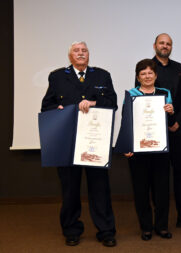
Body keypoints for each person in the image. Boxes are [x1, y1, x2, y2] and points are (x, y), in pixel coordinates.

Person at [41, 41, 117, 247]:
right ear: (70, 56)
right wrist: (56, 108)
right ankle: (71, 229)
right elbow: (46, 105)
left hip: (95, 141)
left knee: (100, 188)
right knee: (70, 189)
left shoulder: (102, 75)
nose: (81, 53)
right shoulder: (57, 76)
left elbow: (112, 103)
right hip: (67, 141)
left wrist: (94, 103)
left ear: (89, 55)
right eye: (77, 51)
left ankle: (106, 231)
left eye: (84, 50)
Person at [136, 33, 181, 229]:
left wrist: (178, 121)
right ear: (154, 45)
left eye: (168, 44)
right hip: (153, 132)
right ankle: (159, 220)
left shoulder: (179, 68)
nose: (165, 46)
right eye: (161, 43)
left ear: (171, 47)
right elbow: (139, 101)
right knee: (157, 175)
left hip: (176, 129)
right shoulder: (147, 67)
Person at [124, 59, 174, 241]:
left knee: (162, 190)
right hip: (138, 152)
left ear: (156, 75)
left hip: (160, 150)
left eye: (150, 73)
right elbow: (127, 122)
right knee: (141, 190)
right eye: (143, 73)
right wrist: (127, 146)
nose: (147, 76)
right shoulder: (131, 94)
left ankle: (161, 226)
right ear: (138, 77)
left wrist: (170, 111)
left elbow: (168, 124)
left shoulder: (164, 93)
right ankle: (146, 227)